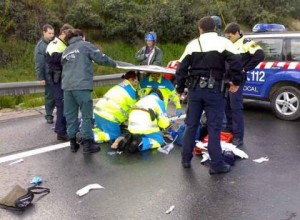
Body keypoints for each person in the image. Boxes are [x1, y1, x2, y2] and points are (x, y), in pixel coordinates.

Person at [175, 16, 243, 174]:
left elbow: (181, 68)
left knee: (191, 125)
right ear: (215, 28)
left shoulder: (192, 44)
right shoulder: (223, 42)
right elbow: (237, 62)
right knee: (214, 127)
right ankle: (216, 165)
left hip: (195, 91)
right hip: (215, 91)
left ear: (200, 29)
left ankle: (185, 159)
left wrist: (180, 89)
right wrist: (235, 82)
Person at [61, 29, 117, 154]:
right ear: (82, 36)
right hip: (81, 86)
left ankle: (73, 144)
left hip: (67, 87)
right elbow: (101, 58)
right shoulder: (85, 45)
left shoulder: (66, 51)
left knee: (71, 116)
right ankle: (87, 145)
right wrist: (115, 64)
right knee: (86, 115)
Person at [224, 22, 265, 147]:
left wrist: (245, 69)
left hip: (237, 80)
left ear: (237, 33)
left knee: (236, 109)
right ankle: (229, 131)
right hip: (226, 79)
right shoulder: (229, 43)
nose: (228, 38)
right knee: (227, 107)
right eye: (227, 36)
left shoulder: (246, 42)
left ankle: (238, 137)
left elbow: (260, 55)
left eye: (230, 36)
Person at [116, 89, 170, 153]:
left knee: (143, 133)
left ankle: (130, 139)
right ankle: (141, 142)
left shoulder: (142, 100)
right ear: (160, 96)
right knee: (159, 140)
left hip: (131, 125)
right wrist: (167, 122)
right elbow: (163, 124)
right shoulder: (159, 101)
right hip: (145, 126)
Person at [93, 71, 139, 143]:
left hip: (98, 113)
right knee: (114, 137)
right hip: (108, 117)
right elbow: (133, 112)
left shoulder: (120, 86)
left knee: (102, 129)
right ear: (131, 80)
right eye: (136, 80)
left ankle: (90, 132)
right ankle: (90, 136)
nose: (137, 82)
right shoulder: (131, 92)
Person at [46, 23, 74, 141]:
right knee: (61, 104)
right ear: (63, 33)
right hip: (58, 79)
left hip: (64, 79)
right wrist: (69, 54)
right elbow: (53, 59)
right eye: (69, 34)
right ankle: (61, 132)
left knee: (66, 105)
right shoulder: (55, 44)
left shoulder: (64, 44)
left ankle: (64, 129)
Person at [34, 24, 55, 124]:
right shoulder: (41, 46)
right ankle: (49, 115)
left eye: (53, 33)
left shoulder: (55, 43)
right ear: (44, 32)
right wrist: (41, 77)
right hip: (48, 75)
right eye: (49, 33)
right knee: (50, 97)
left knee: (59, 96)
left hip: (56, 75)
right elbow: (39, 63)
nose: (51, 35)